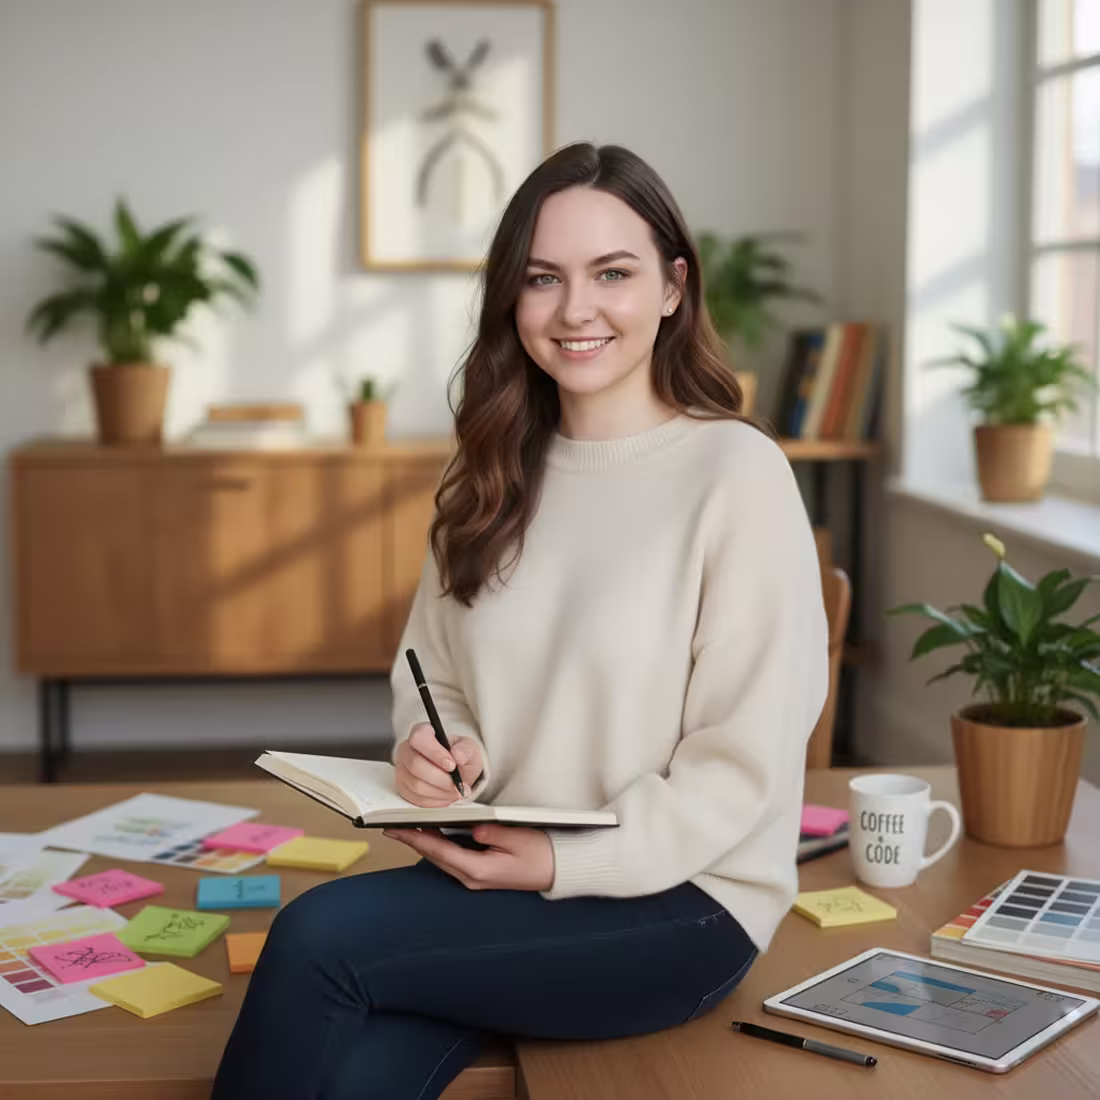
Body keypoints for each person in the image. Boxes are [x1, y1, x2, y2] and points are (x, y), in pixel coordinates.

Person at [211, 141, 829, 1100]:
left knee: (316, 937)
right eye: (544, 278)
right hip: (495, 876)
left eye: (611, 274)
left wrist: (556, 860)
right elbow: (436, 671)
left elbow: (739, 764)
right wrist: (435, 743)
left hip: (682, 901)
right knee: (353, 1069)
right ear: (512, 298)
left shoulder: (736, 475)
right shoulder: (488, 470)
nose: (576, 310)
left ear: (673, 287)